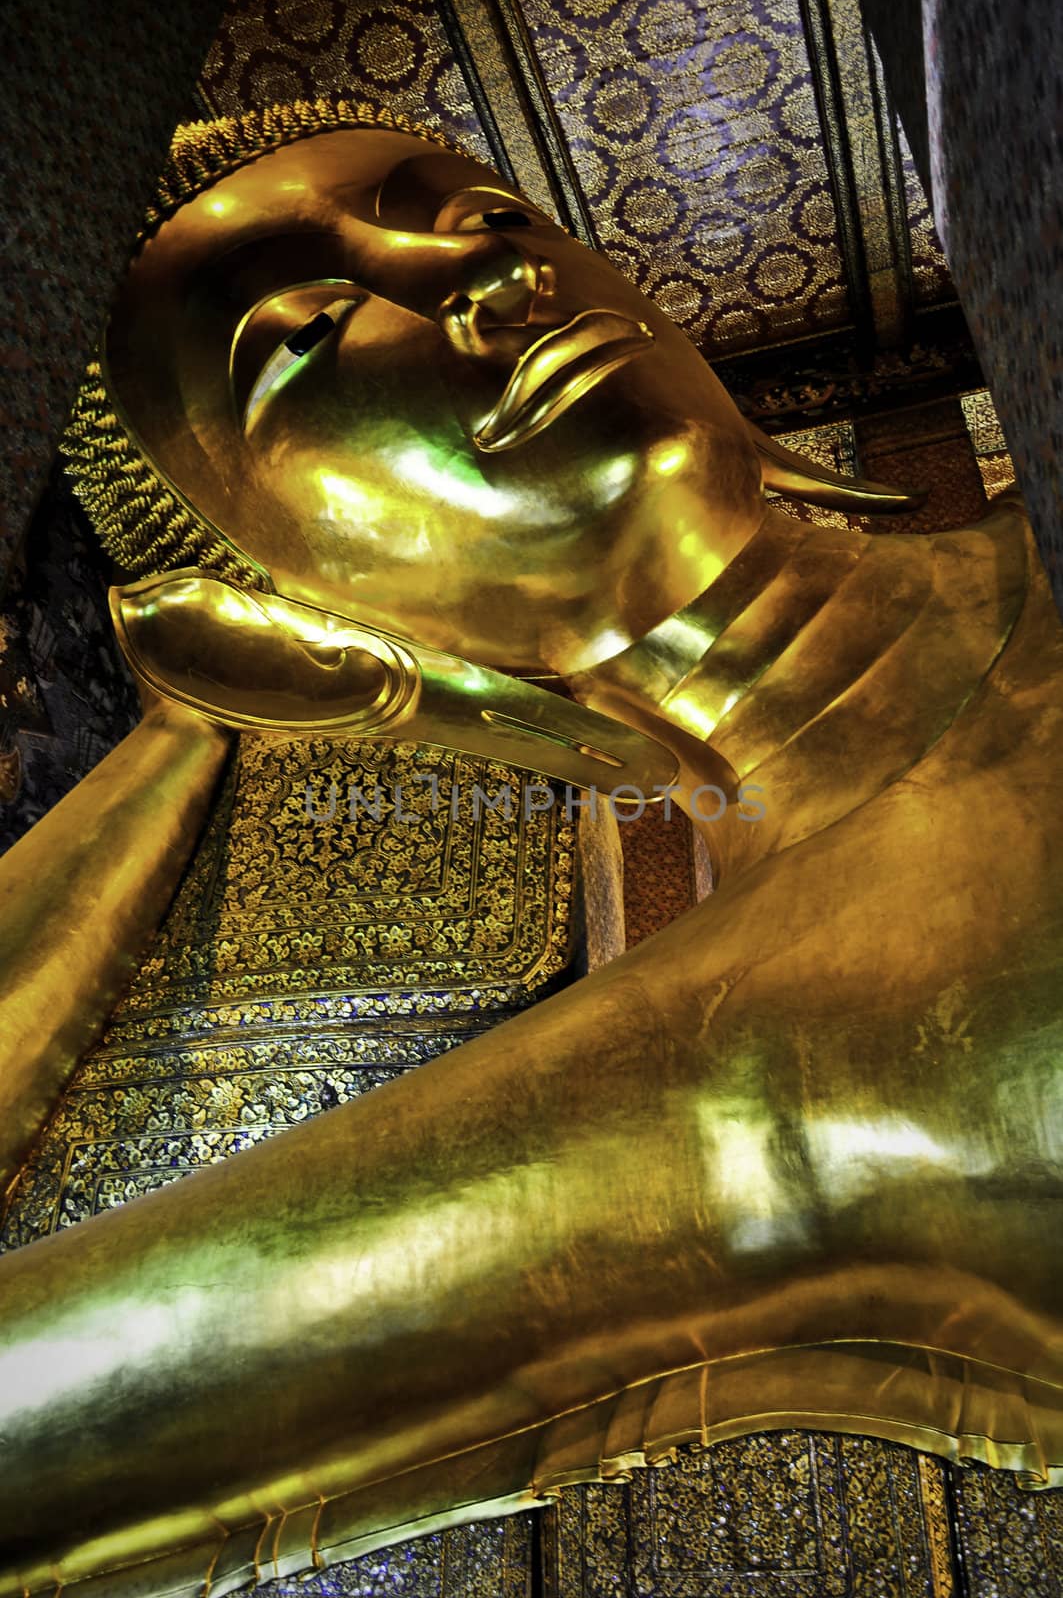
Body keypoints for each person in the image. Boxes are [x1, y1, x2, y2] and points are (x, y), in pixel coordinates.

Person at [0, 99, 1060, 1598]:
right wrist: (183, 744)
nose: (487, 279)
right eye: (305, 335)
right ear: (296, 619)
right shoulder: (748, 1070)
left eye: (483, 215)